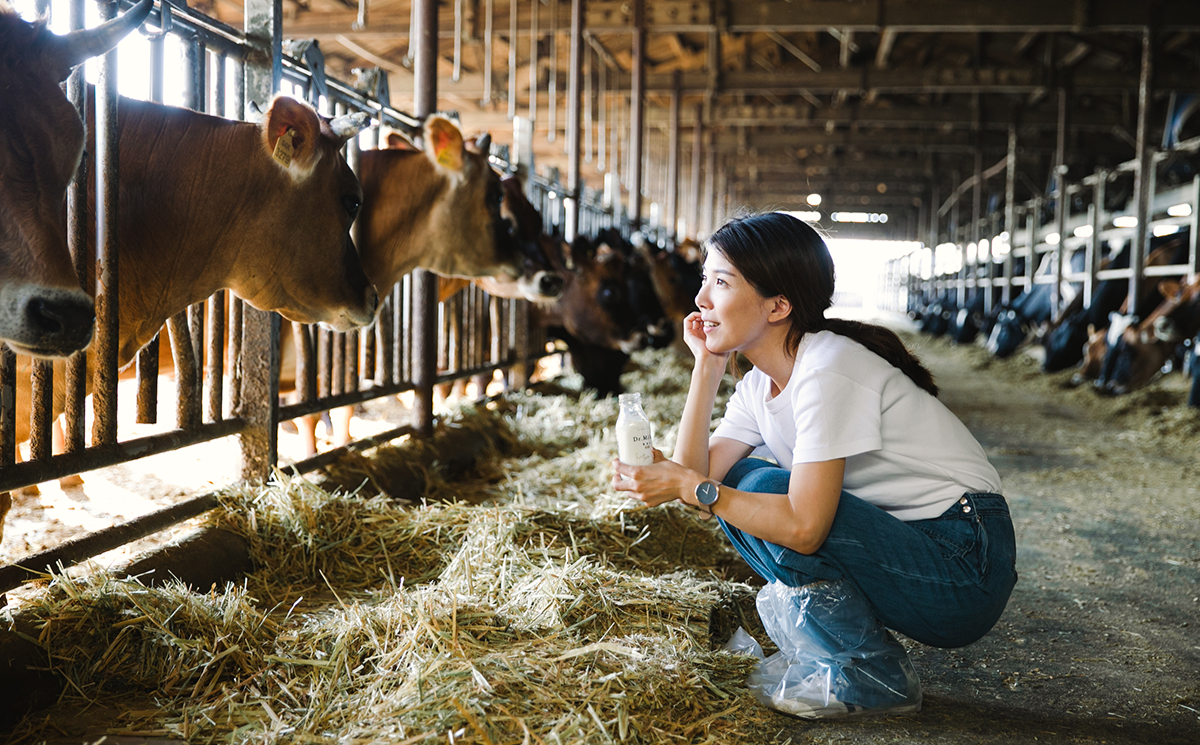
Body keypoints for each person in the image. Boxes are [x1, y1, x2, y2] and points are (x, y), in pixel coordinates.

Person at [612, 212, 1017, 719]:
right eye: (703, 280)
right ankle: (843, 663)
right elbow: (697, 480)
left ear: (778, 305)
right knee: (742, 485)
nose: (701, 299)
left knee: (756, 486)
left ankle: (872, 675)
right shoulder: (760, 384)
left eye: (720, 282)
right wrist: (707, 366)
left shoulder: (827, 366)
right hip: (911, 548)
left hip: (964, 562)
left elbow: (801, 528)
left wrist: (693, 487)